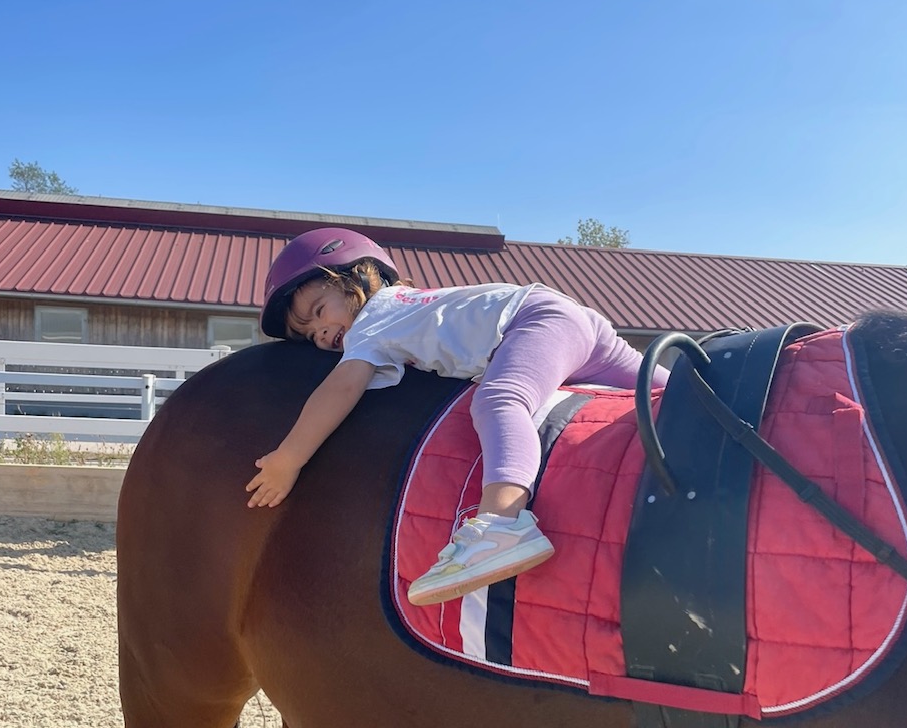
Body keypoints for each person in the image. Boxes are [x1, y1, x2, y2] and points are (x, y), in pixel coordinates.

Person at [247, 227, 668, 606]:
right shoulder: (406, 307)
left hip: (532, 320)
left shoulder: (370, 325)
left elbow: (339, 390)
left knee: (499, 399)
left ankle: (502, 524)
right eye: (309, 335)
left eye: (319, 311)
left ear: (358, 277)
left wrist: (289, 459)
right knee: (670, 388)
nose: (320, 334)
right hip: (564, 315)